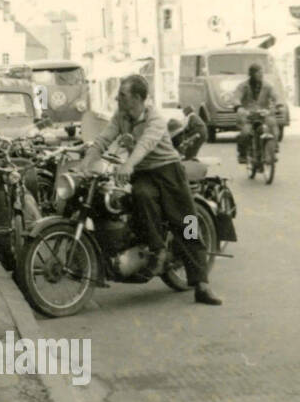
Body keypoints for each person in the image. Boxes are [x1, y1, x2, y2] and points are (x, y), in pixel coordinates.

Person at [83, 73, 222, 305]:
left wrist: (128, 164)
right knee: (139, 196)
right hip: (145, 173)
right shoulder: (122, 116)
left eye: (122, 95)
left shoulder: (155, 118)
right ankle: (157, 249)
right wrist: (85, 162)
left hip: (169, 171)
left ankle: (202, 285)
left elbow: (145, 145)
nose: (117, 98)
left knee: (187, 222)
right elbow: (103, 139)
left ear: (137, 98)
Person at [234, 64, 280, 164]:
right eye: (258, 73)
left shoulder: (267, 86)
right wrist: (239, 107)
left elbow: (275, 96)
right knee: (245, 133)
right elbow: (236, 97)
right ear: (252, 74)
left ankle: (273, 149)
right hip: (248, 115)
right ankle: (242, 154)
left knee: (273, 126)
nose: (261, 75)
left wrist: (278, 104)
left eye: (262, 73)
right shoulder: (243, 86)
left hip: (264, 114)